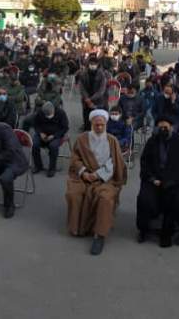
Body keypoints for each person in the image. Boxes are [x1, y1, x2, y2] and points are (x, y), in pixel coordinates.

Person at [65, 109, 127, 256]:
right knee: (74, 193)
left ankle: (99, 235)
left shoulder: (112, 140)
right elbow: (75, 159)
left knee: (105, 197)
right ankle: (78, 227)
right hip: (84, 176)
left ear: (106, 124)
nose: (99, 127)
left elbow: (115, 162)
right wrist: (84, 173)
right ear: (91, 124)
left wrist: (98, 175)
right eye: (96, 125)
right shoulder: (82, 139)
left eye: (102, 125)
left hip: (106, 178)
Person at [136, 116, 179, 247]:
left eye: (165, 127)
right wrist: (153, 179)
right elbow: (145, 163)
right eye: (160, 127)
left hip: (175, 181)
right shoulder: (152, 142)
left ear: (171, 127)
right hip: (155, 181)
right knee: (144, 199)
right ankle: (144, 229)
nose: (163, 130)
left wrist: (173, 181)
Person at [31, 102, 69, 177]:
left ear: (53, 110)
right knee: (34, 144)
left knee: (53, 146)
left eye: (50, 115)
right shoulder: (40, 112)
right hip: (42, 134)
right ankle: (38, 166)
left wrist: (54, 136)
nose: (48, 117)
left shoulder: (61, 113)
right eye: (46, 115)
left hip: (56, 135)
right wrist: (40, 133)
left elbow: (65, 128)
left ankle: (52, 168)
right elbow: (36, 125)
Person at [78, 55, 109, 131]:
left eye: (94, 64)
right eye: (91, 64)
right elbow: (81, 87)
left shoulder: (102, 74)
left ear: (97, 64)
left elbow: (102, 90)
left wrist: (91, 99)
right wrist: (86, 98)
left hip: (99, 100)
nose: (92, 65)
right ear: (88, 64)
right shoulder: (83, 73)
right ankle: (86, 128)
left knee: (98, 117)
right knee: (86, 116)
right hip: (86, 99)